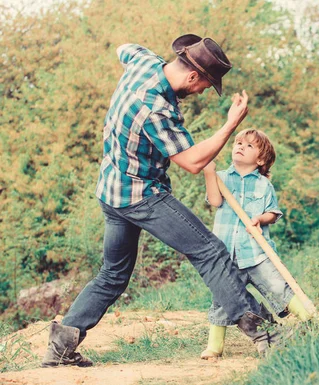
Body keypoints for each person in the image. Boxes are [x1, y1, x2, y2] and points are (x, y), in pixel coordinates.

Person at [41, 34, 281, 368]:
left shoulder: (144, 61)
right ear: (193, 77)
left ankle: (60, 348)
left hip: (110, 191)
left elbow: (122, 47)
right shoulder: (157, 108)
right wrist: (230, 124)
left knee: (112, 274)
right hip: (141, 196)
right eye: (205, 86)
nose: (200, 93)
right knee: (210, 252)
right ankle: (264, 333)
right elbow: (194, 162)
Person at [200, 129, 311, 359]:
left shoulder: (263, 186)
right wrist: (209, 174)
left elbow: (272, 212)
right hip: (226, 255)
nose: (240, 146)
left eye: (249, 145)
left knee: (278, 287)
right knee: (222, 297)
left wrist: (261, 219)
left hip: (256, 253)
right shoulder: (222, 178)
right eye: (238, 142)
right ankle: (214, 346)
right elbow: (214, 200)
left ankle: (311, 317)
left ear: (261, 159)